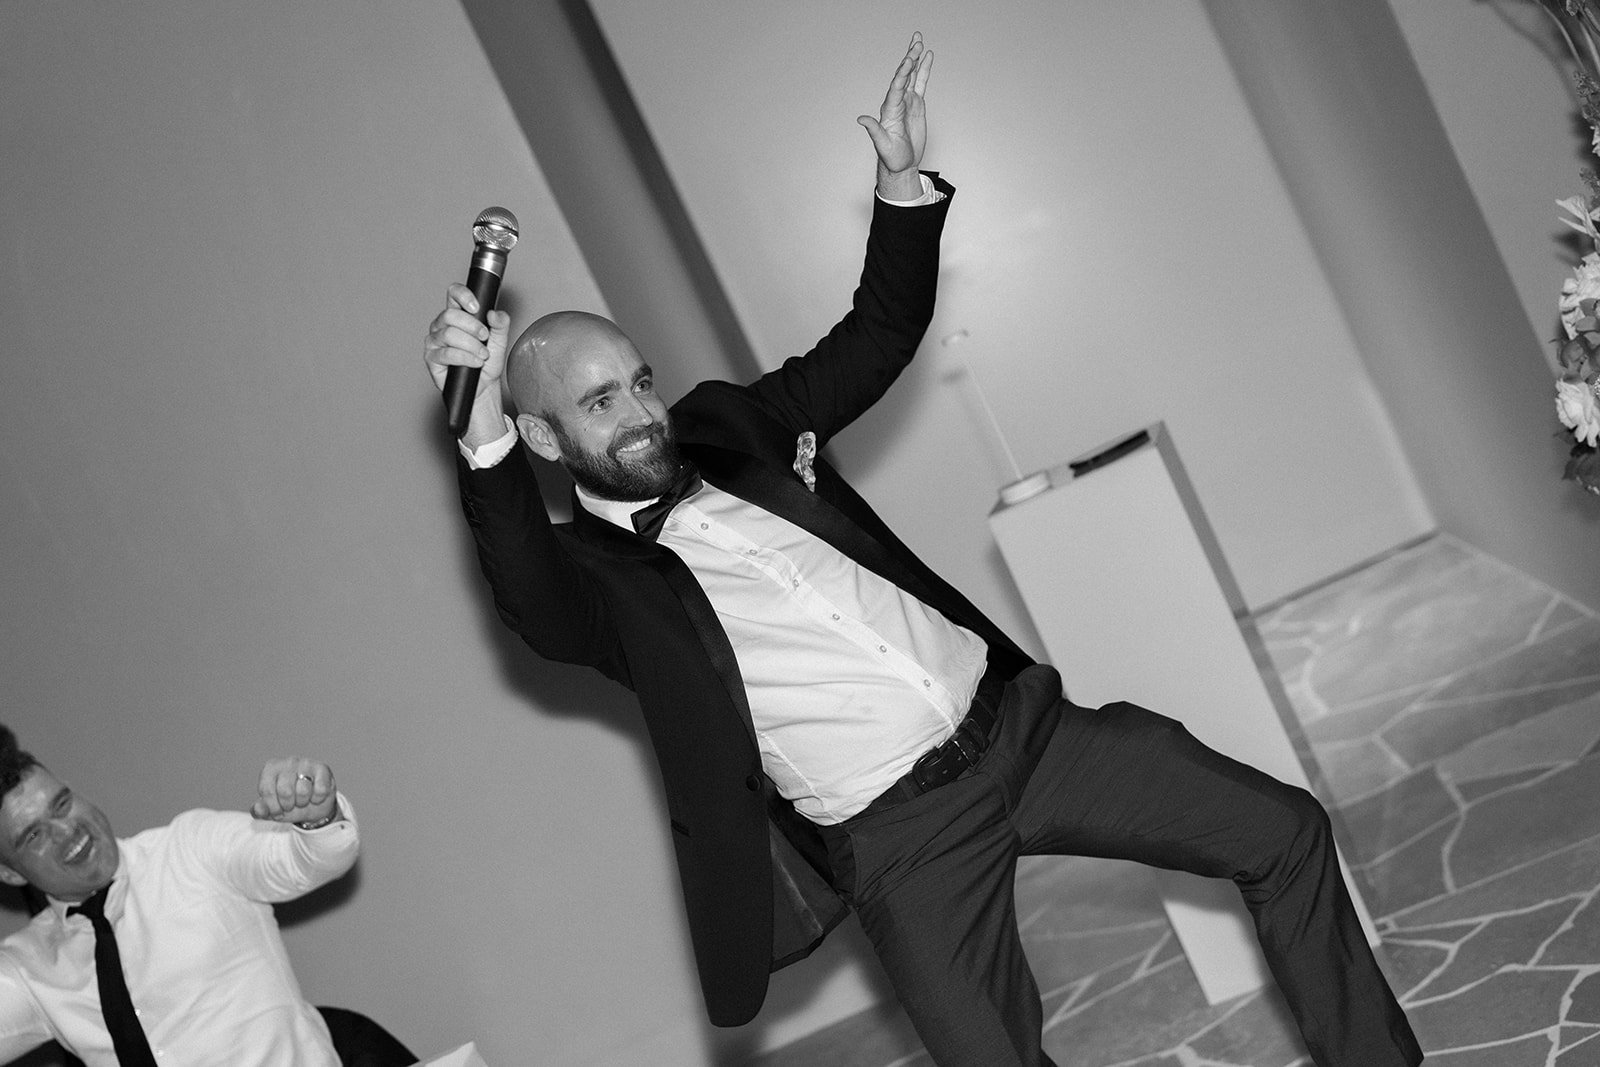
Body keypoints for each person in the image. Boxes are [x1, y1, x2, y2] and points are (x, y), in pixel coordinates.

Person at [422, 33, 1421, 1067]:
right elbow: (525, 593)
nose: (640, 412)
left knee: (1283, 829)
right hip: (902, 838)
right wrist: (478, 428)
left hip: (1026, 734)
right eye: (599, 401)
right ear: (543, 437)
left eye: (638, 380)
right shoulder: (593, 582)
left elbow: (876, 335)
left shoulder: (728, 424)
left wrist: (900, 187)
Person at [0, 725, 414, 1067]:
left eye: (62, 804)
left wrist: (317, 816)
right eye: (34, 834)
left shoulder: (190, 848)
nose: (67, 830)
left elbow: (305, 860)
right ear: (8, 873)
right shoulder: (29, 967)